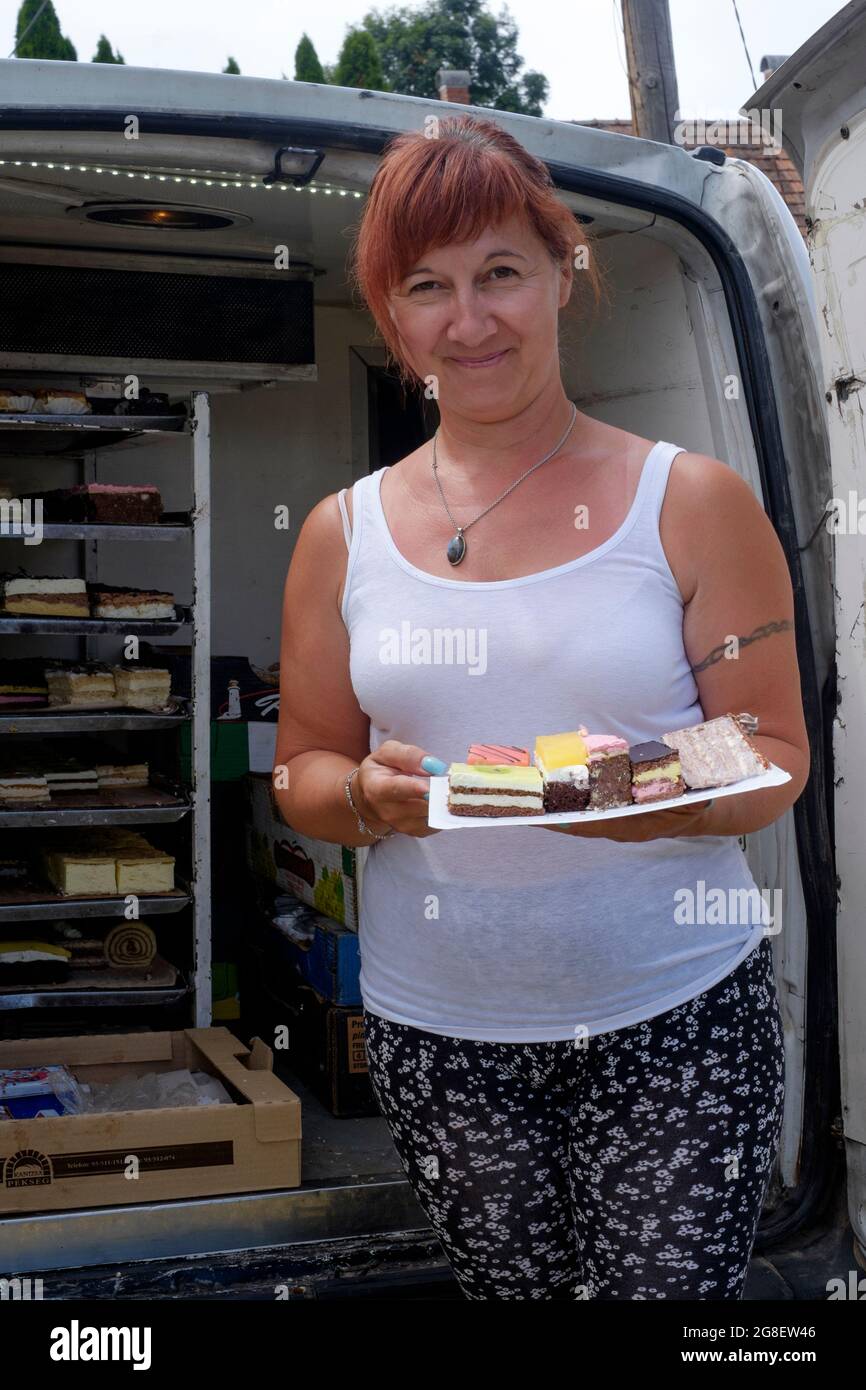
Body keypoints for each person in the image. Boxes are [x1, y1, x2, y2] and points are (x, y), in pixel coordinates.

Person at [274, 114, 810, 1300]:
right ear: (393, 316)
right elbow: (303, 766)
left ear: (562, 275)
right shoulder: (338, 535)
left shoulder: (689, 502)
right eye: (427, 287)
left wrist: (646, 789)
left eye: (501, 273)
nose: (468, 321)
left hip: (670, 1020)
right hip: (437, 1037)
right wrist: (363, 799)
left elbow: (773, 752)